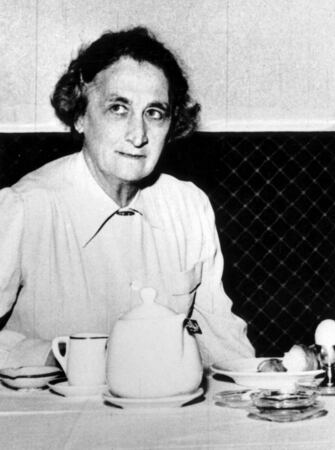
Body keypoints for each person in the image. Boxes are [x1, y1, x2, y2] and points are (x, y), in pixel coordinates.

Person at [0, 27, 255, 368]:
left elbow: (215, 332)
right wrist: (51, 355)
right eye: (118, 109)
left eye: (154, 113)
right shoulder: (25, 208)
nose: (138, 136)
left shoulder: (189, 206)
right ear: (79, 115)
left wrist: (263, 375)